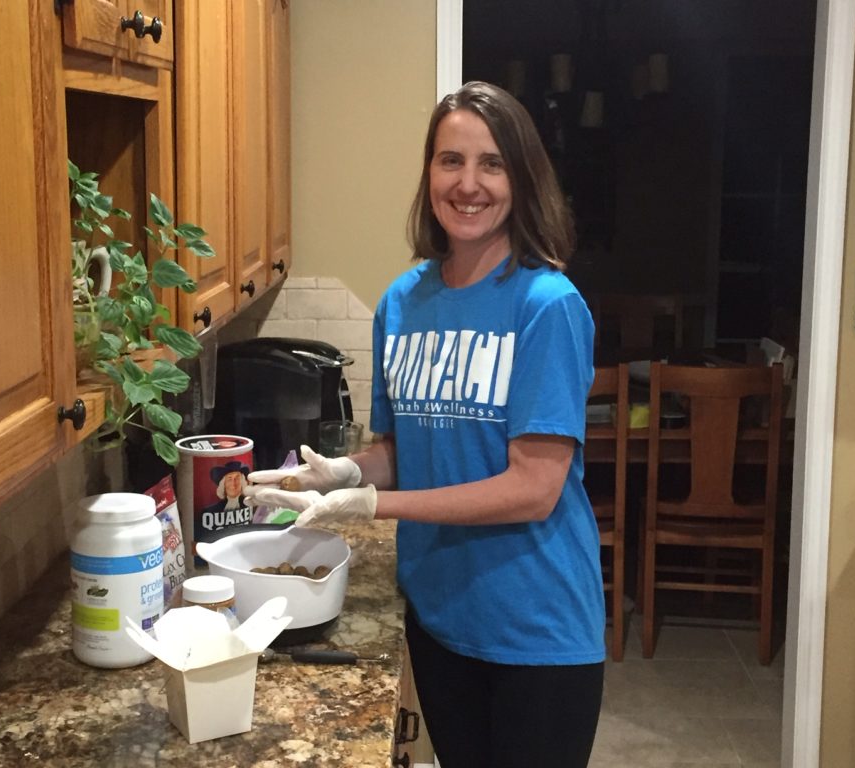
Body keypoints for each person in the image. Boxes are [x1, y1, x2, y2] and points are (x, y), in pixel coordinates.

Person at [246, 81, 605, 768]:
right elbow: (407, 449)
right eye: (450, 161)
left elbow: (534, 487)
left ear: (521, 179)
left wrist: (373, 504)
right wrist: (349, 471)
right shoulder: (403, 303)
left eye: (491, 164)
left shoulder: (546, 306)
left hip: (538, 632)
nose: (469, 184)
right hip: (441, 621)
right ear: (429, 174)